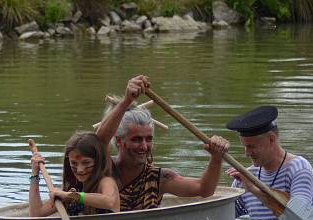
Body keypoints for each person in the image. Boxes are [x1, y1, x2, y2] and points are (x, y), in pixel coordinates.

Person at [96, 75, 230, 211]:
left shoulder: (159, 178)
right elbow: (99, 141)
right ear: (119, 141)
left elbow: (204, 189)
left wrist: (216, 158)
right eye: (136, 139)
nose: (144, 146)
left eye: (148, 139)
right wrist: (126, 101)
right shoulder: (103, 169)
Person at [225, 105, 313, 220]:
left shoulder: (298, 168)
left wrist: (255, 190)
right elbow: (223, 216)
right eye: (244, 146)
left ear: (272, 139)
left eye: (252, 146)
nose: (247, 153)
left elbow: (302, 217)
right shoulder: (246, 176)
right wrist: (215, 159)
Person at [29, 131, 120, 217]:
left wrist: (70, 195)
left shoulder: (106, 181)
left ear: (98, 161)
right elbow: (36, 214)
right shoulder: (72, 188)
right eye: (74, 163)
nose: (80, 170)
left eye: (86, 163)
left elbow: (109, 202)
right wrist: (35, 173)